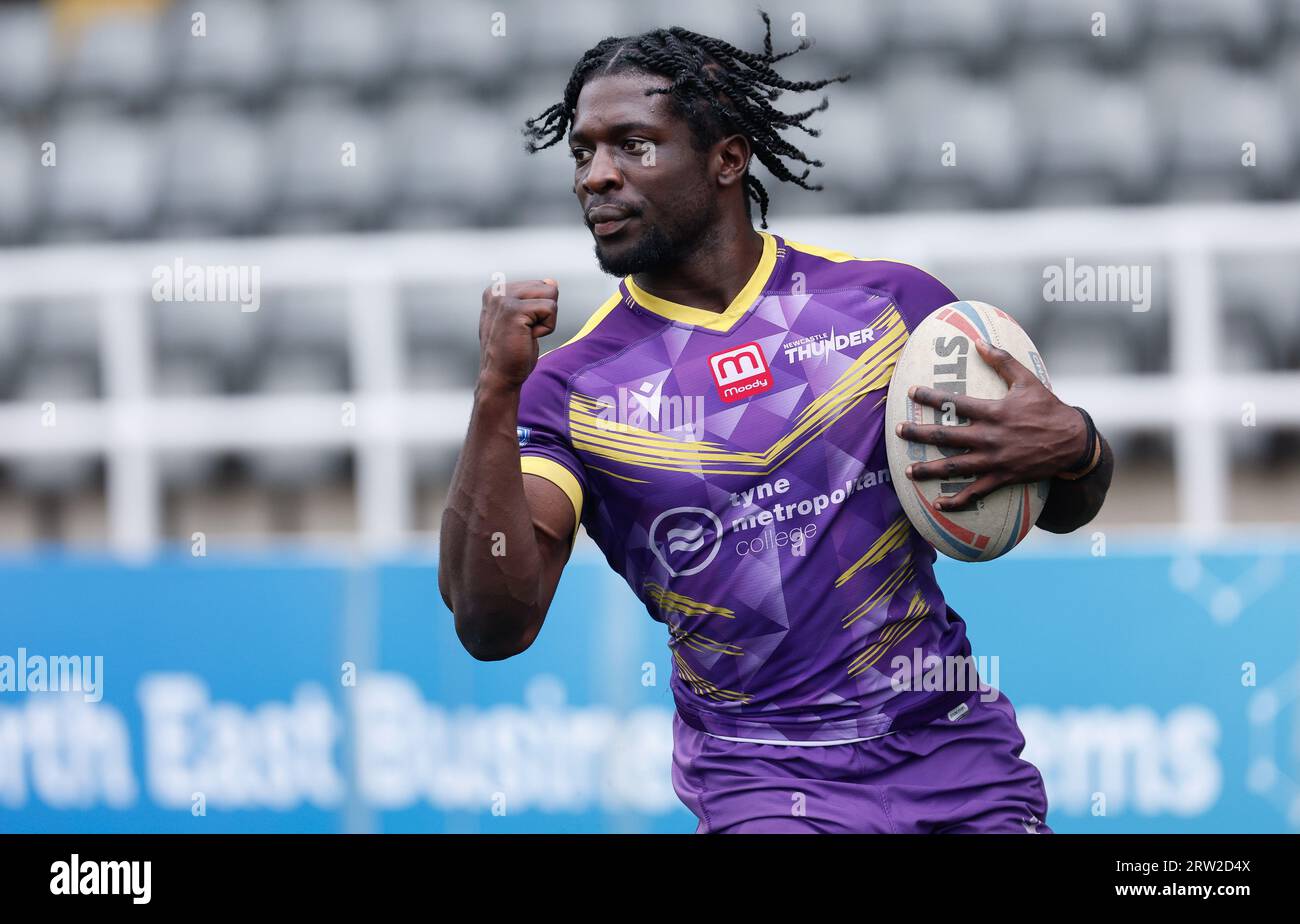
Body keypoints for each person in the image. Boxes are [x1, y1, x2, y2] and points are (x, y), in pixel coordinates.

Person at [438, 13, 1113, 833]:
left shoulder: (890, 307)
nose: (596, 176)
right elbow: (491, 624)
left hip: (955, 759)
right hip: (765, 785)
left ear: (727, 157)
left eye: (632, 145)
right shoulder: (571, 389)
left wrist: (1076, 446)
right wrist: (494, 396)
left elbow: (1069, 503)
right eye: (583, 152)